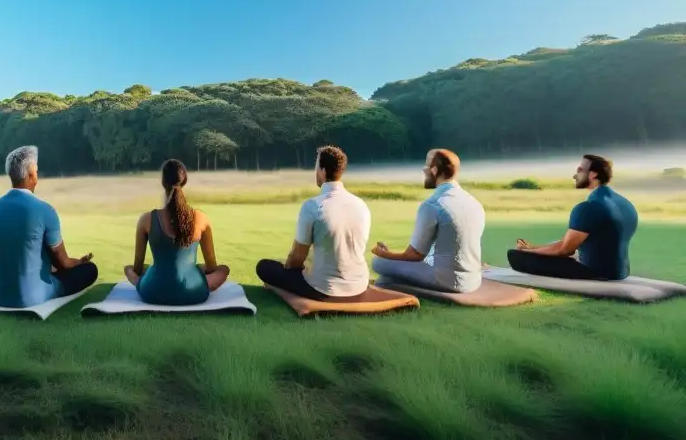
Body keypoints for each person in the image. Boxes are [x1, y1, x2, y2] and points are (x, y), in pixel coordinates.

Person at [0, 145, 98, 307]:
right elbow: (63, 263)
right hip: (32, 296)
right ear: (31, 174)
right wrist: (80, 262)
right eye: (36, 171)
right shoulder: (45, 210)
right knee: (90, 270)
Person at [255, 145, 371, 300]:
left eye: (316, 166)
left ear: (323, 171)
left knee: (264, 267)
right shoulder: (361, 205)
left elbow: (296, 259)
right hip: (359, 284)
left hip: (324, 288)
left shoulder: (313, 206)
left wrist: (287, 268)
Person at [371, 149, 485, 293]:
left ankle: (385, 283)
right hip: (473, 280)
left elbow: (415, 255)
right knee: (386, 279)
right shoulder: (474, 202)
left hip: (447, 280)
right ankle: (385, 283)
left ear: (435, 170)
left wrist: (385, 254)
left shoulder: (433, 204)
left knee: (379, 263)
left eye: (426, 165)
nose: (424, 169)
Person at [507, 154, 638, 280]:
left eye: (580, 171)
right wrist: (532, 248)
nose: (575, 176)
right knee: (556, 244)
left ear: (593, 174)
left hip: (594, 272)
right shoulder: (625, 204)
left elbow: (564, 250)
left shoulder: (587, 208)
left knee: (515, 255)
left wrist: (526, 251)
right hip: (620, 272)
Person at [123, 159, 230, 305]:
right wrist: (195, 268)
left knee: (129, 269)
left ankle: (149, 279)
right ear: (184, 181)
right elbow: (211, 268)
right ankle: (189, 271)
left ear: (163, 182)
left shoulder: (146, 219)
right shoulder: (201, 218)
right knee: (223, 269)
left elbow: (137, 268)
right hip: (193, 291)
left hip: (152, 292)